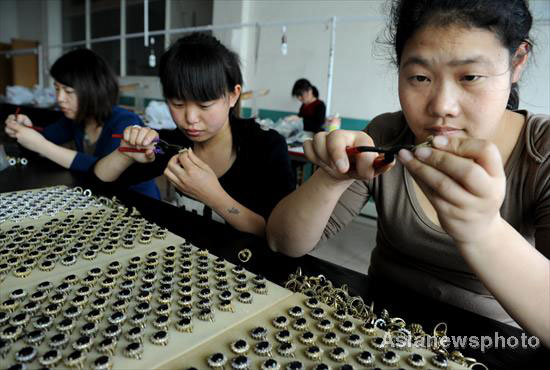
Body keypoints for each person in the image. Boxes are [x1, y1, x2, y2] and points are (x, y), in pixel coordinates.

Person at [267, 0, 549, 347]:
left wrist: (483, 230)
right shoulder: (384, 136)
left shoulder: (542, 153)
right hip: (376, 333)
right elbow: (282, 242)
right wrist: (333, 177)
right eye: (419, 77)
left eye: (470, 76)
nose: (442, 106)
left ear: (517, 61)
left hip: (488, 347)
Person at [93, 33, 296, 237]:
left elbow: (277, 237)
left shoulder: (266, 146)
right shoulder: (172, 143)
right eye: (177, 104)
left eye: (204, 105)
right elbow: (98, 184)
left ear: (233, 96)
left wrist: (213, 196)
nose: (190, 118)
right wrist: (124, 154)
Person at [4, 48, 160, 199]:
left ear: (92, 90)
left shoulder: (125, 122)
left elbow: (102, 170)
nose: (60, 98)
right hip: (99, 199)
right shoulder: (76, 118)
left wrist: (41, 145)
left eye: (68, 91)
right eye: (57, 89)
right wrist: (26, 127)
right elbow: (41, 140)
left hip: (137, 205)